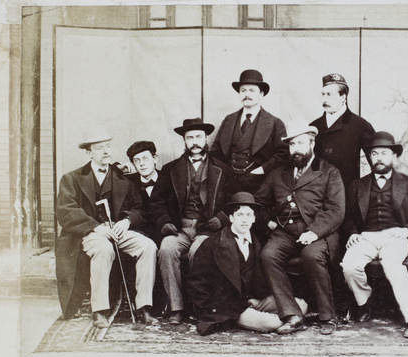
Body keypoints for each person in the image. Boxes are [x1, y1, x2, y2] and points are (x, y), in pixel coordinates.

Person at [56, 134, 158, 328]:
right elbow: (65, 211)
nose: (106, 152)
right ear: (89, 153)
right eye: (99, 148)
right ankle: (100, 310)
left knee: (148, 246)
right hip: (88, 233)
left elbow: (139, 209)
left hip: (117, 230)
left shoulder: (122, 179)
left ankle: (144, 307)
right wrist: (95, 227)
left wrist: (127, 221)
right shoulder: (72, 178)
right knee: (104, 250)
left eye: (108, 146)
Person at [255, 118, 345, 335]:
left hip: (319, 232)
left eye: (301, 143)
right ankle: (292, 315)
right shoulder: (278, 173)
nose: (296, 149)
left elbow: (336, 209)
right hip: (284, 232)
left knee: (312, 256)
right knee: (268, 255)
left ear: (312, 144)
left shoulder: (329, 171)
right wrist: (267, 221)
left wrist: (313, 232)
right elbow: (258, 202)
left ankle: (327, 315)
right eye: (292, 144)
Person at [340, 132, 408, 339]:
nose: (379, 157)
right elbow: (348, 218)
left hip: (394, 237)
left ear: (393, 156)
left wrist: (406, 230)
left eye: (384, 153)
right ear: (370, 158)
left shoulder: (407, 183)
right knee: (349, 265)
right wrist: (352, 233)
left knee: (393, 266)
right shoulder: (358, 185)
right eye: (374, 153)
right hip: (366, 237)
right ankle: (364, 303)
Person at [187, 192, 308, 336]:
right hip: (229, 307)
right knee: (272, 323)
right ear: (231, 218)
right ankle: (270, 322)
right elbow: (196, 282)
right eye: (240, 215)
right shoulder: (212, 244)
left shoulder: (259, 243)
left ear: (254, 218)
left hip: (253, 301)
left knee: (301, 306)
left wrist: (256, 300)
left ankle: (280, 320)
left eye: (248, 215)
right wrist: (211, 308)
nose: (244, 220)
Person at [150, 118, 231, 325]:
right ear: (184, 142)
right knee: (166, 249)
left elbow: (234, 199)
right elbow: (156, 202)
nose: (194, 142)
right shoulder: (171, 169)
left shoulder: (222, 168)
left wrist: (220, 219)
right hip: (180, 228)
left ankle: (199, 305)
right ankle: (176, 307)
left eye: (198, 137)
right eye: (189, 138)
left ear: (206, 139)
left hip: (207, 228)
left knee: (199, 252)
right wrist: (165, 222)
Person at [210, 69, 288, 194]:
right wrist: (224, 172)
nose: (247, 94)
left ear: (261, 94)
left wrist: (261, 170)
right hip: (229, 182)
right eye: (243, 91)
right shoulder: (229, 120)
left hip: (260, 182)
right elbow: (216, 151)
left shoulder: (275, 123)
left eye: (252, 90)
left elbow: (283, 154)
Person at [310, 73, 376, 189]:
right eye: (323, 94)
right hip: (316, 196)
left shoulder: (361, 126)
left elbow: (376, 164)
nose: (324, 99)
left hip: (347, 197)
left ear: (343, 97)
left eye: (329, 94)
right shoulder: (313, 127)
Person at [125, 141, 162, 244]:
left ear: (155, 159)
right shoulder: (128, 182)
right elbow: (108, 172)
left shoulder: (168, 178)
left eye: (145, 158)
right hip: (142, 236)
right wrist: (120, 167)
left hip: (165, 233)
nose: (142, 163)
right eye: (136, 161)